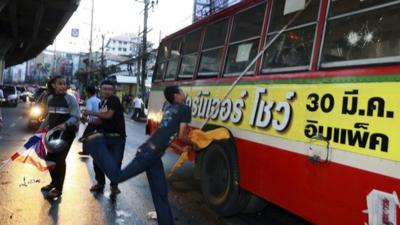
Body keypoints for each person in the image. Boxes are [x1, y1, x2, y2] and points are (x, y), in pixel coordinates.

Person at [83, 85, 197, 225]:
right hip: (149, 155)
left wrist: (180, 147)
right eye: (181, 91)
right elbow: (182, 135)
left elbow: (165, 135)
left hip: (153, 154)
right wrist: (194, 144)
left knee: (160, 195)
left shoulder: (169, 108)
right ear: (177, 95)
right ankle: (96, 143)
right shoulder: (185, 108)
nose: (184, 93)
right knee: (117, 176)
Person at [38, 76, 80, 199]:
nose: (63, 86)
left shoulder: (70, 99)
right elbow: (49, 116)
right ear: (53, 85)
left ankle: (58, 188)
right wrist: (41, 127)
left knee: (60, 159)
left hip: (66, 133)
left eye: (64, 84)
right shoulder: (50, 98)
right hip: (53, 133)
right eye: (60, 84)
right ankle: (53, 182)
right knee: (49, 158)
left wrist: (65, 124)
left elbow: (76, 116)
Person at [82, 80, 126, 194]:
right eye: (104, 89)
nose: (107, 91)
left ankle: (114, 185)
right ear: (100, 90)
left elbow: (108, 115)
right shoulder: (102, 103)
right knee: (97, 161)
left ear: (113, 91)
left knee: (116, 162)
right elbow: (100, 121)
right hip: (103, 136)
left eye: (110, 89)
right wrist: (87, 120)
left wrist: (90, 112)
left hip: (117, 138)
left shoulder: (114, 100)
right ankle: (100, 183)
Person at [78, 85, 100, 155]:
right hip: (99, 121)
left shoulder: (90, 100)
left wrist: (83, 117)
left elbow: (88, 111)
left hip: (92, 122)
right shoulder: (99, 100)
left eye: (86, 92)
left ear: (88, 92)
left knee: (85, 136)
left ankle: (85, 151)